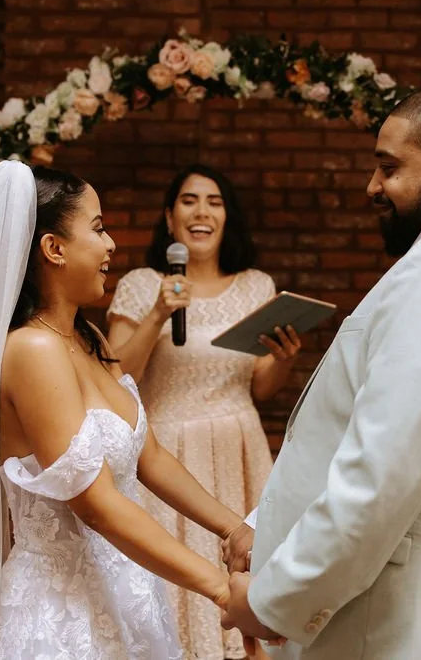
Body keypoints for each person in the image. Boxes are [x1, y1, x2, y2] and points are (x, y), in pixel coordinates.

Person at [220, 85, 421, 659]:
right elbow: (356, 432)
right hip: (411, 590)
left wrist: (274, 599)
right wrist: (267, 524)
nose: (372, 187)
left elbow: (383, 472)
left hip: (395, 612)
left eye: (388, 168)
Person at [0, 161, 253, 659]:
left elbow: (149, 455)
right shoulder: (31, 350)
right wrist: (220, 588)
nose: (110, 245)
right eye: (98, 227)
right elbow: (96, 504)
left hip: (127, 600)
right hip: (59, 620)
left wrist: (234, 528)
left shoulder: (88, 339)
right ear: (54, 248)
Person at [107, 164, 301, 659]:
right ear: (169, 218)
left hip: (240, 447)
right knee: (173, 585)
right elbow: (114, 376)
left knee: (250, 569)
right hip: (167, 453)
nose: (202, 211)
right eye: (189, 200)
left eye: (214, 201)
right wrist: (157, 314)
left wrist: (284, 358)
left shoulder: (257, 285)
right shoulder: (141, 283)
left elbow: (261, 388)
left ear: (227, 217)